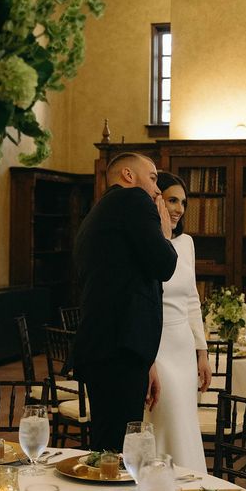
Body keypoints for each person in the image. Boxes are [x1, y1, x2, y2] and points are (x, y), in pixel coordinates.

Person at [71, 152, 178, 451]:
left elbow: (121, 283)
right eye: (154, 178)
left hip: (109, 347)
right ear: (129, 176)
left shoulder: (100, 211)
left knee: (108, 445)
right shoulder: (133, 200)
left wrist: (146, 361)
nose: (158, 190)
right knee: (116, 452)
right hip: (118, 351)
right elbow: (164, 265)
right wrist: (165, 234)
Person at [146, 171, 212, 472]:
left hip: (183, 347)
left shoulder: (186, 243)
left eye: (183, 202)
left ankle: (190, 483)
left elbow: (191, 300)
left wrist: (202, 351)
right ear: (156, 198)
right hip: (155, 343)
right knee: (163, 422)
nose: (179, 209)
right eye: (172, 200)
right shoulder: (144, 241)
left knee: (185, 425)